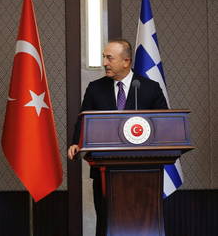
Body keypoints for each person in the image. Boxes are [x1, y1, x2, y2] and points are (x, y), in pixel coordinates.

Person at [67, 39, 168, 235]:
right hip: (105, 170)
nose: (105, 62)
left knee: (142, 223)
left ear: (126, 61)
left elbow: (164, 124)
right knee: (106, 223)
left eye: (109, 58)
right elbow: (83, 120)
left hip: (144, 171)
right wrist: (75, 143)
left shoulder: (149, 88)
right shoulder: (95, 88)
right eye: (104, 57)